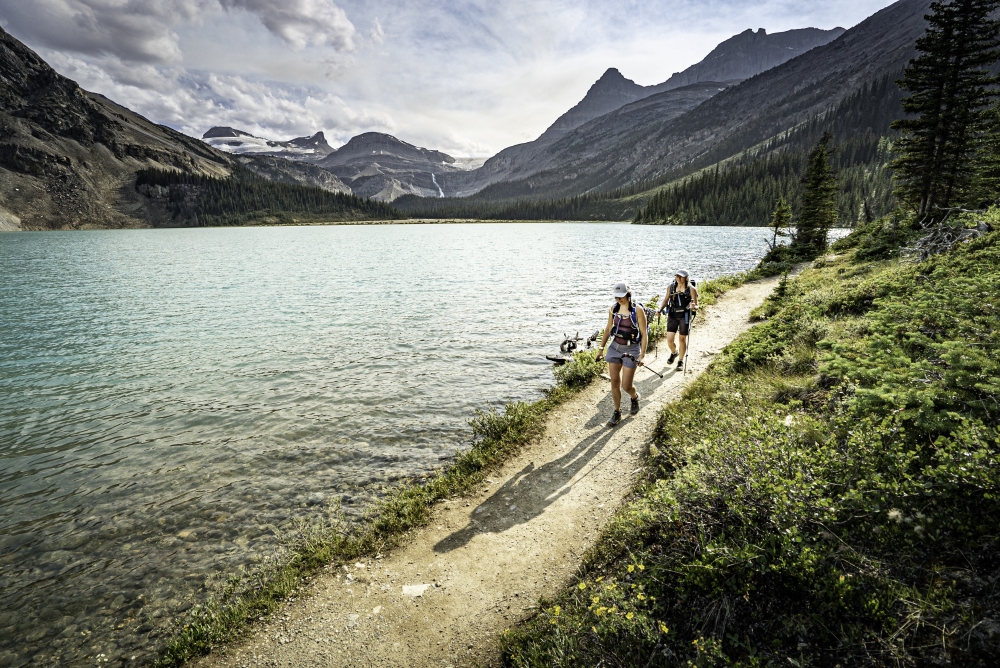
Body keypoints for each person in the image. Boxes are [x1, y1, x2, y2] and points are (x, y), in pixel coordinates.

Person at [597, 282, 647, 427]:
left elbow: (644, 334)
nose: (619, 299)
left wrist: (642, 354)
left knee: (626, 385)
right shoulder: (613, 308)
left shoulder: (637, 310)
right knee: (614, 381)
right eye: (617, 297)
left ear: (628, 294)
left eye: (622, 296)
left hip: (631, 349)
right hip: (615, 347)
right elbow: (608, 329)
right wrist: (601, 348)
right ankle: (617, 411)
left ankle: (634, 397)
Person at [658, 270, 698, 371]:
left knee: (682, 339)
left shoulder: (692, 289)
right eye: (677, 277)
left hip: (684, 315)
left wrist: (694, 307)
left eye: (681, 277)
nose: (679, 279)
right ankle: (674, 353)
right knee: (670, 340)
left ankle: (680, 360)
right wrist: (660, 309)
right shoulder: (670, 287)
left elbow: (696, 306)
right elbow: (666, 300)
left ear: (686, 278)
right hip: (672, 315)